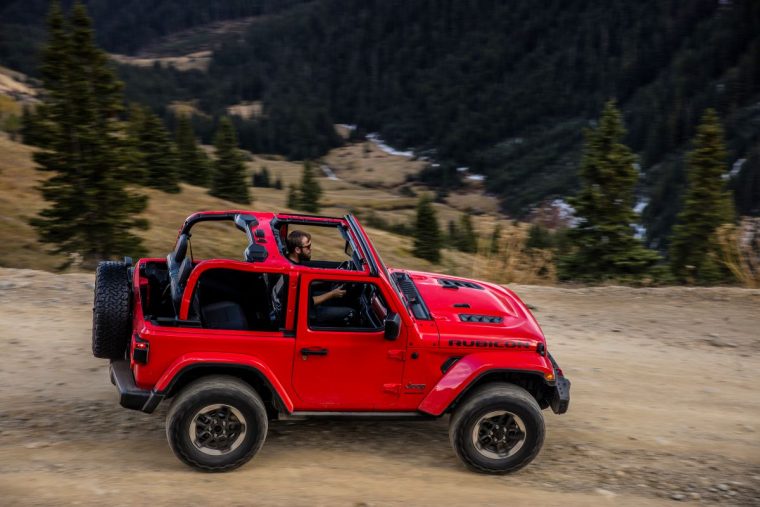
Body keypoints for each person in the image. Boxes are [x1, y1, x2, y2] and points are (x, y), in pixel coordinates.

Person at [270, 230, 348, 326]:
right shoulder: (294, 274)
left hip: (302, 304)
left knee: (337, 299)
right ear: (297, 250)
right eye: (308, 247)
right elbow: (310, 302)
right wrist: (332, 294)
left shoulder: (290, 263)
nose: (311, 249)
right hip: (305, 315)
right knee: (350, 312)